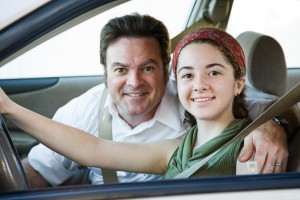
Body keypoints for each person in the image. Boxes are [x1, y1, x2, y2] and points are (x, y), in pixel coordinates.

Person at [18, 13, 287, 187]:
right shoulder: (178, 149)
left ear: (239, 82)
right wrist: (9, 108)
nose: (199, 85)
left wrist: (276, 124)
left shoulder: (251, 148)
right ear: (177, 81)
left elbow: (287, 109)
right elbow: (94, 150)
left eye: (214, 72)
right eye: (188, 75)